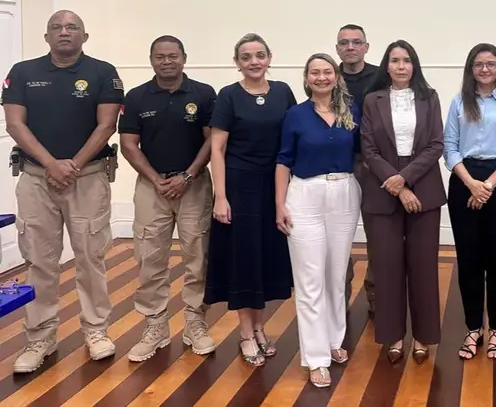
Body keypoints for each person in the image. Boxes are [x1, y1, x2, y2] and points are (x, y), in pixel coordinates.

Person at [2, 10, 123, 372]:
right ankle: (40, 337)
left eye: (72, 27)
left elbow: (107, 125)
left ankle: (96, 331)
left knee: (91, 257)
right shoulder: (23, 72)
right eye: (56, 27)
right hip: (36, 179)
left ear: (85, 36)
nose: (64, 32)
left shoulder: (103, 72)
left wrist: (72, 166)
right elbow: (14, 124)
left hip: (87, 178)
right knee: (39, 260)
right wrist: (51, 164)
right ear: (47, 37)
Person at [119, 35, 217, 361]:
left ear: (184, 58)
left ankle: (195, 323)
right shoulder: (136, 97)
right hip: (152, 187)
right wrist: (155, 179)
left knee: (198, 256)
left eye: (172, 56)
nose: (166, 61)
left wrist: (187, 175)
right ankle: (156, 326)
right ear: (151, 60)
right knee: (149, 257)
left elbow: (212, 141)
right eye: (160, 57)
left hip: (194, 185)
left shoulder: (203, 94)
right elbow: (129, 144)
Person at [204, 33, 296, 366]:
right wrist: (221, 197)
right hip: (240, 187)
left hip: (274, 184)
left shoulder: (283, 92)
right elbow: (217, 149)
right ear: (237, 62)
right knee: (243, 261)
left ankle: (259, 327)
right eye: (246, 57)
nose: (254, 62)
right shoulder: (229, 96)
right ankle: (245, 333)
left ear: (269, 58)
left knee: (263, 259)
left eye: (259, 55)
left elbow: (293, 137)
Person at [275, 53, 362, 388]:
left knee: (336, 275)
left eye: (327, 72)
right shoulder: (295, 115)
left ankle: (334, 340)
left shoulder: (351, 110)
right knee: (310, 279)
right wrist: (280, 204)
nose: (322, 77)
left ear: (336, 76)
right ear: (307, 78)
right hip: (304, 196)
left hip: (344, 193)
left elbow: (362, 152)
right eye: (315, 73)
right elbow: (283, 160)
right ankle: (316, 357)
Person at [360, 40, 446, 364]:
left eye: (406, 60)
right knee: (387, 268)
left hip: (424, 187)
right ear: (386, 65)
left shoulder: (429, 97)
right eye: (394, 60)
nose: (400, 66)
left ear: (414, 65)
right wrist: (398, 186)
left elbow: (436, 144)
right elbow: (368, 150)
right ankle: (393, 335)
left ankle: (423, 337)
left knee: (423, 268)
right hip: (382, 189)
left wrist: (405, 179)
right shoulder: (372, 100)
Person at [443, 43, 496, 360]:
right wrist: (471, 184)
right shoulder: (458, 102)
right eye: (479, 64)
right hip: (465, 180)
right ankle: (473, 328)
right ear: (471, 68)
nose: (485, 69)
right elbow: (450, 148)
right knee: (469, 260)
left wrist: (487, 186)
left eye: (491, 64)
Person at [335, 23, 379, 314]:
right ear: (337, 48)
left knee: (377, 232)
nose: (350, 47)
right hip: (338, 164)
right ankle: (340, 295)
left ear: (366, 47)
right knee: (339, 234)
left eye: (356, 42)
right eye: (344, 43)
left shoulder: (380, 77)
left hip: (374, 164)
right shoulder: (328, 76)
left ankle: (376, 295)